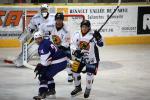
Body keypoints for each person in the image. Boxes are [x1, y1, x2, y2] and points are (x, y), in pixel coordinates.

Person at [70, 20, 104, 98]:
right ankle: (78, 87)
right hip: (80, 57)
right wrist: (75, 52)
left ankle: (88, 88)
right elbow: (72, 44)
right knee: (74, 71)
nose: (84, 28)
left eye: (86, 27)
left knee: (89, 75)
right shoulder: (77, 34)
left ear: (89, 27)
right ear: (81, 27)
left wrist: (99, 37)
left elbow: (101, 44)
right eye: (83, 26)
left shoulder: (93, 34)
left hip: (91, 58)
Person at [39, 12, 73, 83]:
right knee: (48, 60)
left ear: (62, 20)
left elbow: (66, 43)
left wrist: (59, 48)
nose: (58, 21)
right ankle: (45, 75)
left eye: (60, 20)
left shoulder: (67, 30)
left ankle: (70, 74)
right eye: (57, 19)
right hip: (53, 46)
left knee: (66, 60)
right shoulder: (51, 26)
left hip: (64, 46)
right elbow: (42, 27)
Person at [33, 31, 67, 100]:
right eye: (36, 39)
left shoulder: (42, 46)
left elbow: (45, 62)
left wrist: (41, 66)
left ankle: (42, 93)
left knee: (43, 76)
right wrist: (42, 65)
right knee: (47, 74)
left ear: (42, 37)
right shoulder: (47, 41)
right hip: (61, 60)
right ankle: (51, 90)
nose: (37, 40)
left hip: (58, 62)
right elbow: (47, 59)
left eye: (39, 38)